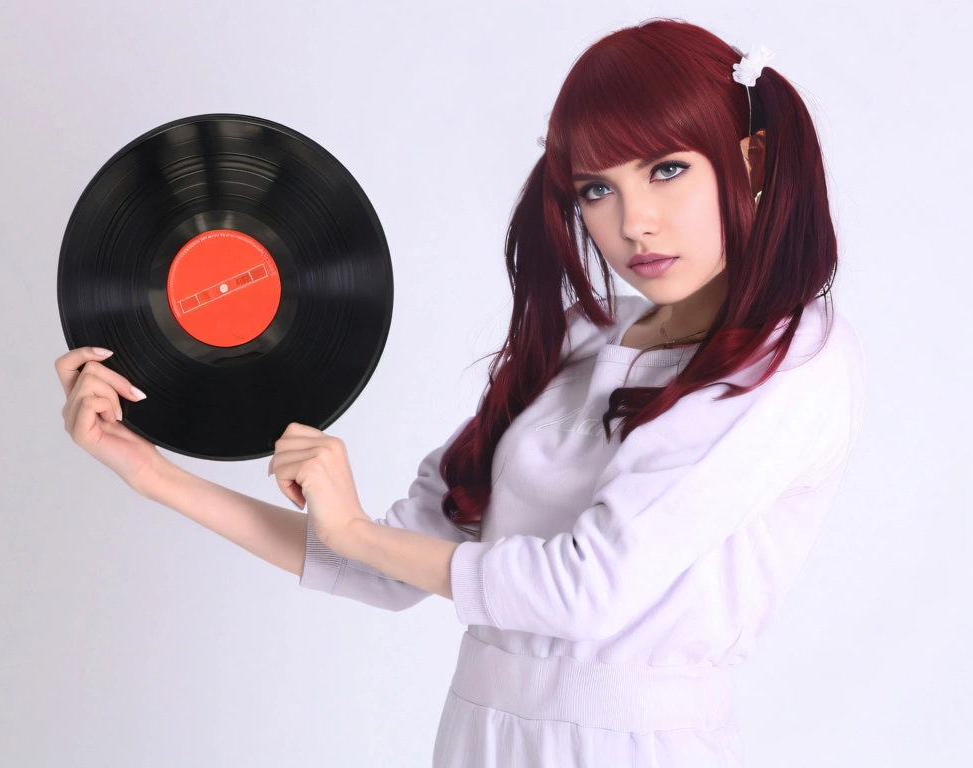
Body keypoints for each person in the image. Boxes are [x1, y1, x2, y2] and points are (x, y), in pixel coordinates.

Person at [56, 18, 866, 768]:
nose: (635, 222)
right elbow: (378, 567)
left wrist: (356, 533)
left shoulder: (791, 365)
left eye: (667, 169)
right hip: (480, 737)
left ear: (752, 161)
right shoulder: (585, 343)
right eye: (597, 189)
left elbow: (584, 592)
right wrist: (150, 471)